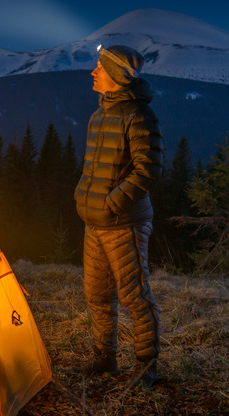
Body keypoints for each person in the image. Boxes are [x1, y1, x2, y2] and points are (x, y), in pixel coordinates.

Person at [73, 44, 163, 388]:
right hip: (94, 221)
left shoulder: (139, 116)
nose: (93, 72)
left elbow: (147, 171)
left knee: (134, 296)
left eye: (99, 67)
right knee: (97, 295)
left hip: (123, 222)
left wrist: (111, 204)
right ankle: (104, 358)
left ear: (116, 76)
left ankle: (145, 366)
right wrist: (85, 199)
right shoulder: (100, 115)